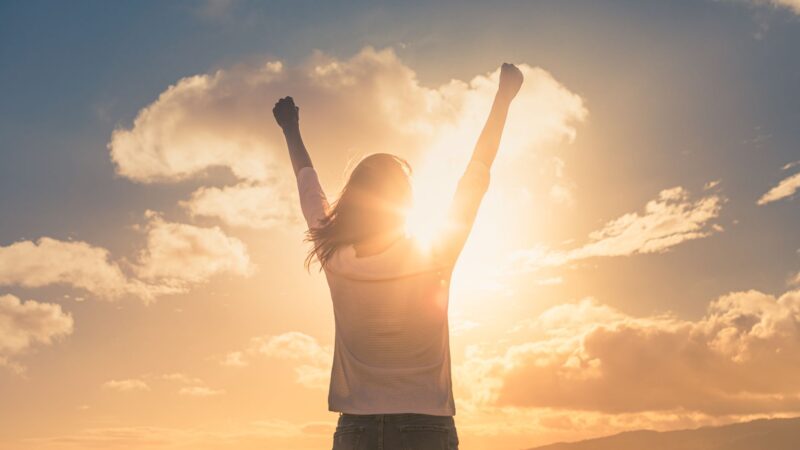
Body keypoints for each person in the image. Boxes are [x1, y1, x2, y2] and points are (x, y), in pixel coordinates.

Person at [273, 62, 523, 450]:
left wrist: (290, 128)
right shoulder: (435, 252)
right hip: (426, 426)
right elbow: (477, 173)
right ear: (404, 201)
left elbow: (308, 185)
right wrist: (504, 98)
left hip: (355, 429)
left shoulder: (335, 254)